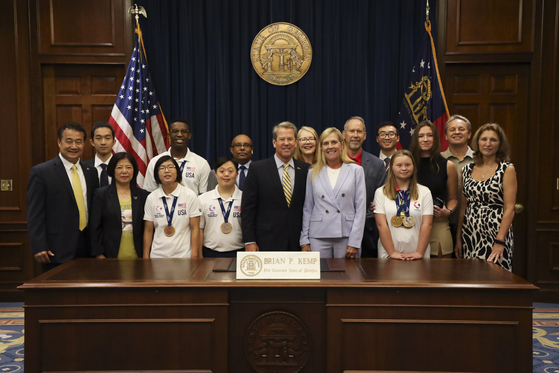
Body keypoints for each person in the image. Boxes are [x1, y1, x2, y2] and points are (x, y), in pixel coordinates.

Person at [27, 121, 99, 272]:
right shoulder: (42, 172)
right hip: (56, 249)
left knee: (87, 294)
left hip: (88, 247)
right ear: (59, 142)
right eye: (69, 141)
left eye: (78, 141)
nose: (74, 146)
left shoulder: (91, 172)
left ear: (84, 144)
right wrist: (39, 245)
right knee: (58, 294)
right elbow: (35, 213)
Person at [455, 123, 517, 271]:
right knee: (471, 277)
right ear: (477, 142)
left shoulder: (506, 169)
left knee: (496, 277)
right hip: (470, 232)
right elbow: (463, 207)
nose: (488, 144)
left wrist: (500, 241)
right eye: (484, 139)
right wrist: (458, 238)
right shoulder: (467, 169)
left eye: (493, 140)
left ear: (500, 144)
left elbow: (509, 209)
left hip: (496, 233)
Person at [241, 121, 310, 251]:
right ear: (274, 142)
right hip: (266, 241)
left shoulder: (306, 170)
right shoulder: (257, 169)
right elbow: (248, 208)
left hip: (297, 242)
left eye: (290, 139)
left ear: (296, 142)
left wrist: (306, 241)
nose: (286, 143)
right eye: (281, 139)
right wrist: (249, 240)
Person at [300, 128, 366, 258]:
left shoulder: (356, 170)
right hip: (318, 236)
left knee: (348, 276)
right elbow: (308, 208)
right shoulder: (312, 172)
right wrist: (304, 241)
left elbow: (361, 209)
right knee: (320, 277)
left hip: (346, 235)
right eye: (325, 143)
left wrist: (355, 241)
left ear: (342, 145)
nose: (330, 147)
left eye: (334, 142)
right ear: (321, 148)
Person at [410, 120, 458, 258]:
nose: (425, 139)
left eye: (429, 135)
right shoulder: (407, 163)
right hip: (411, 223)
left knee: (441, 271)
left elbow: (453, 198)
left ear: (435, 139)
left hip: (438, 222)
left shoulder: (448, 165)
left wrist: (448, 211)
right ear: (415, 139)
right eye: (421, 136)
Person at [374, 150, 433, 259]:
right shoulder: (381, 192)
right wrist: (392, 253)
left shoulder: (424, 192)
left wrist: (419, 253)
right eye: (399, 165)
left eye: (407, 165)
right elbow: (381, 225)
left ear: (413, 167)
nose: (404, 168)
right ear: (391, 167)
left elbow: (427, 225)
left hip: (417, 252)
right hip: (388, 253)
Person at [90, 152, 150, 258]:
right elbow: (95, 227)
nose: (124, 171)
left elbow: (147, 228)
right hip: (110, 257)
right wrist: (99, 254)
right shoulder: (101, 194)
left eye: (128, 167)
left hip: (138, 256)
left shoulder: (143, 195)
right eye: (119, 167)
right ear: (112, 170)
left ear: (134, 170)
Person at [342, 116, 386, 258]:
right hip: (338, 229)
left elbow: (381, 199)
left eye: (359, 131)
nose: (355, 135)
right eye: (352, 131)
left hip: (368, 232)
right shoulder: (334, 161)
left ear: (365, 136)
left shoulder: (377, 164)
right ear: (344, 135)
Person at [143, 155, 202, 258]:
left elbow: (195, 228)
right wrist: (145, 257)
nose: (167, 171)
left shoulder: (190, 195)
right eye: (162, 168)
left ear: (177, 172)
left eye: (171, 167)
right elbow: (148, 230)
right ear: (156, 174)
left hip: (184, 256)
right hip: (157, 257)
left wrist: (194, 255)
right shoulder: (151, 198)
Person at [143, 119, 211, 194]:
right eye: (175, 131)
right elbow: (149, 192)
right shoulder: (155, 162)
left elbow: (204, 195)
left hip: (192, 205)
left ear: (189, 136)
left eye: (184, 131)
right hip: (161, 205)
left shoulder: (201, 163)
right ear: (169, 135)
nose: (179, 134)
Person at [199, 157, 244, 257]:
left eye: (231, 171)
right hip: (209, 253)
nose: (226, 174)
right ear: (215, 174)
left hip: (239, 252)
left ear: (237, 174)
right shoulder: (203, 199)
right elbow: (199, 229)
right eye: (222, 171)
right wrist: (199, 255)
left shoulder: (245, 198)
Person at [441, 115, 474, 245]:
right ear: (446, 136)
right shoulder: (438, 160)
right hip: (444, 222)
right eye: (452, 129)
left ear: (469, 134)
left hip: (473, 224)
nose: (457, 132)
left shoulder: (480, 160)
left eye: (461, 129)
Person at [84, 121, 115, 187]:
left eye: (107, 138)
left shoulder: (122, 167)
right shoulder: (84, 167)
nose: (103, 142)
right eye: (98, 138)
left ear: (114, 142)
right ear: (92, 142)